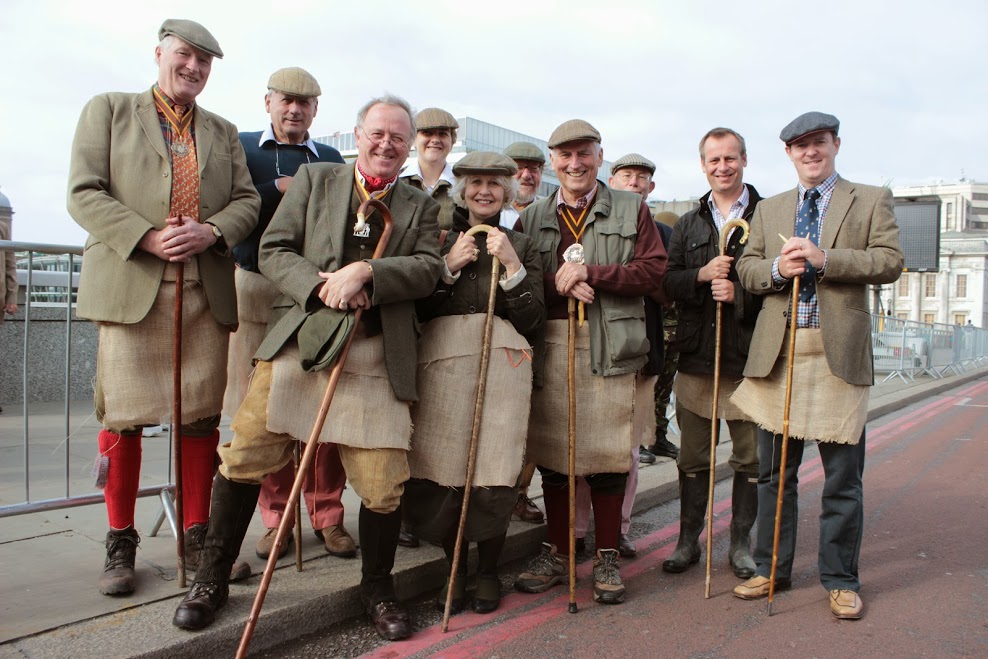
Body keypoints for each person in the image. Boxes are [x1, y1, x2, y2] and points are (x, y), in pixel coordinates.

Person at [172, 95, 443, 642]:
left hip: (373, 355)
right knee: (245, 453)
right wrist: (323, 287)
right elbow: (273, 249)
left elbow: (429, 268)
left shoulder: (419, 203)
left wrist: (368, 272)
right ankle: (211, 577)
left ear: (408, 143)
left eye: (398, 136)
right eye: (377, 133)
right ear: (358, 134)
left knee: (383, 485)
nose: (386, 144)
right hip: (301, 341)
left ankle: (378, 586)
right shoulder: (317, 180)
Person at [66, 19, 260, 596]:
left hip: (203, 291)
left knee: (201, 418)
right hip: (132, 288)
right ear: (159, 54)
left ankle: (197, 536)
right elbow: (83, 191)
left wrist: (212, 230)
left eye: (205, 61)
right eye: (185, 55)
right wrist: (147, 236)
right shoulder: (109, 109)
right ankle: (120, 541)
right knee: (123, 416)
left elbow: (247, 201)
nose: (194, 68)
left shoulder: (224, 132)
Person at [731, 112, 903, 620]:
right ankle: (772, 569)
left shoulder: (869, 198)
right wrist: (775, 270)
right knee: (773, 476)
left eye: (819, 143)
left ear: (835, 145)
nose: (810, 152)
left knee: (842, 480)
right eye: (800, 145)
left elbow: (890, 261)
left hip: (837, 355)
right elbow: (747, 269)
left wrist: (827, 259)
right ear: (788, 153)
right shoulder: (772, 208)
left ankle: (841, 579)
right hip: (778, 355)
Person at [512, 120, 666, 605]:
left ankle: (604, 557)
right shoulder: (532, 216)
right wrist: (558, 282)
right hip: (553, 343)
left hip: (609, 343)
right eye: (564, 156)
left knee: (607, 458)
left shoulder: (631, 206)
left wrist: (591, 274)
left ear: (601, 157)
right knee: (556, 459)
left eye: (584, 154)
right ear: (552, 160)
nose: (574, 164)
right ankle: (558, 553)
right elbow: (520, 280)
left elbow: (654, 270)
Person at [405, 151, 545, 614]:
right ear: (461, 188)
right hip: (446, 367)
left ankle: (487, 570)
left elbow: (533, 321)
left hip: (503, 371)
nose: (484, 190)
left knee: (495, 470)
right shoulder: (439, 235)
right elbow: (419, 309)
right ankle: (454, 569)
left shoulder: (524, 245)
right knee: (447, 468)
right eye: (475, 182)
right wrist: (446, 266)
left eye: (494, 183)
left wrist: (511, 268)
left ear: (508, 191)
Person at [229, 67, 356, 561]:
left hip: (313, 291)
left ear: (316, 110)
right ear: (268, 102)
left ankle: (327, 515)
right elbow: (227, 204)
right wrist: (277, 188)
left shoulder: (328, 157)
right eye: (287, 100)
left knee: (321, 407)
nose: (295, 109)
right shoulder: (241, 147)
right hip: (257, 287)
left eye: (305, 102)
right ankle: (277, 518)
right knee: (266, 408)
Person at [660, 129, 763, 578]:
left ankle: (740, 545)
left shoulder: (768, 215)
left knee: (749, 458)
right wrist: (700, 275)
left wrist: (738, 294)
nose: (723, 167)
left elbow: (780, 286)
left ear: (744, 159)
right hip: (698, 359)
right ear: (703, 165)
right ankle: (688, 541)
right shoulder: (688, 223)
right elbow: (667, 283)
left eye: (730, 158)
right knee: (693, 457)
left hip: (749, 363)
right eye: (714, 160)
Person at [573, 152, 666, 559]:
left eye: (642, 177)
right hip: (586, 347)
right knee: (575, 443)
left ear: (651, 186)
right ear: (613, 178)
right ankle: (576, 529)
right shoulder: (591, 223)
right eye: (627, 176)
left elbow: (663, 286)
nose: (635, 182)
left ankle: (619, 528)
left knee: (624, 449)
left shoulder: (660, 229)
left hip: (637, 352)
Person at [500, 140, 549, 524]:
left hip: (533, 326)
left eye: (534, 167)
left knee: (530, 421)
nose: (527, 174)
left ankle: (519, 492)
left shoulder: (547, 215)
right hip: (492, 327)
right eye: (519, 167)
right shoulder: (493, 209)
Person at [400, 107, 458, 230]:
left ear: (452, 141)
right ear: (413, 139)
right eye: (427, 133)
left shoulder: (463, 185)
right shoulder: (396, 181)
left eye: (443, 134)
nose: (435, 140)